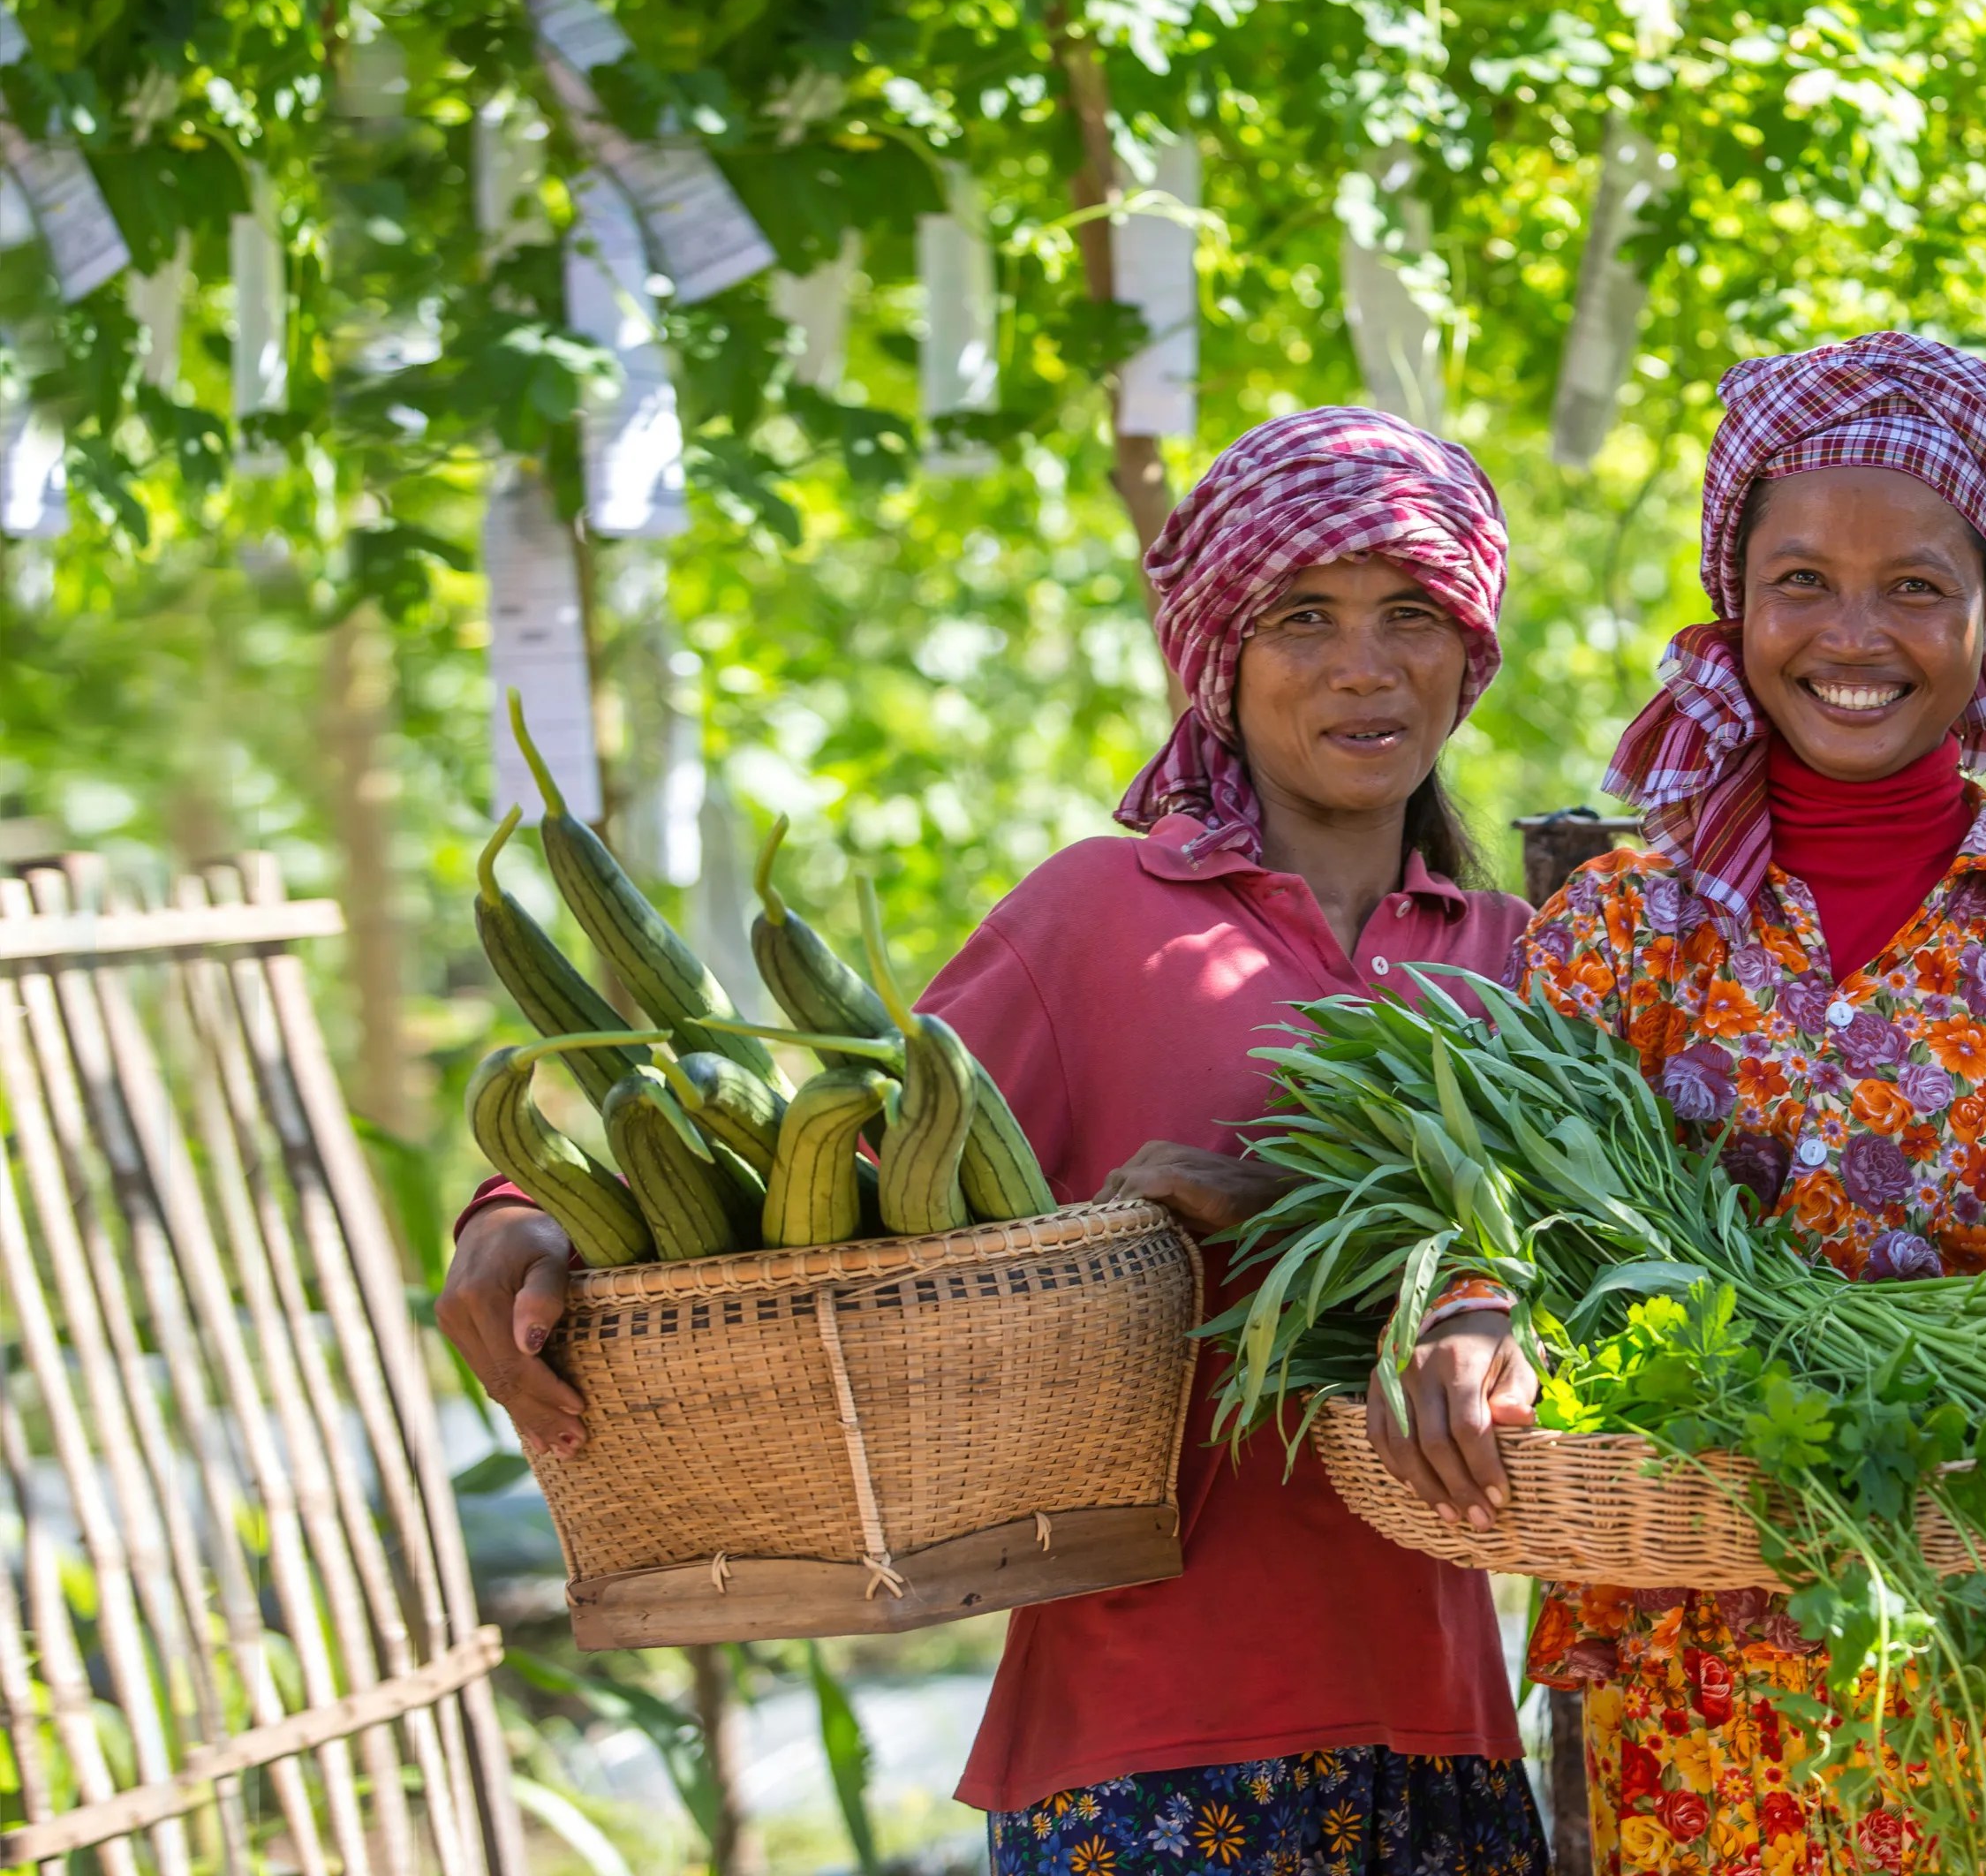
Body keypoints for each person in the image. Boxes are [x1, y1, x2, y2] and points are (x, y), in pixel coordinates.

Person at [433, 408, 1550, 1876]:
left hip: (1452, 1739)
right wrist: (517, 1210)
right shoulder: (1096, 922)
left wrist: (1294, 1209)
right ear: (1221, 655)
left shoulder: (1526, 962)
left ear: (1469, 650)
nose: (1365, 664)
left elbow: (1593, 1285)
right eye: (1304, 617)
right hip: (1144, 1743)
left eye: (1413, 613)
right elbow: (823, 1177)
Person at [1370, 331, 1986, 1876]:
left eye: (1916, 586)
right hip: (1703, 1692)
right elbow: (1508, 1220)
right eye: (1802, 580)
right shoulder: (1625, 926)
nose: (1853, 634)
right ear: (1734, 603)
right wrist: (1473, 1310)